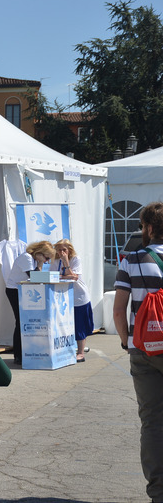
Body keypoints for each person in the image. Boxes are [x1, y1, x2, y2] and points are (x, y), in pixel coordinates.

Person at [114, 202, 163, 503]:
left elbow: (119, 310)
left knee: (153, 421)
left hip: (144, 349)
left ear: (147, 228)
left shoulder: (132, 259)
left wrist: (125, 341)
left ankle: (159, 493)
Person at [4, 240, 55, 366]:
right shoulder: (26, 257)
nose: (46, 261)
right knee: (20, 321)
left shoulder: (33, 259)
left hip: (23, 290)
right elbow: (35, 276)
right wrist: (41, 263)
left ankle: (25, 352)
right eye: (46, 257)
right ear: (39, 253)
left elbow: (36, 277)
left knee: (24, 321)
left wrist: (40, 263)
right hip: (14, 290)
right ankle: (18, 355)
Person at [52, 239, 95, 363]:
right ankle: (70, 348)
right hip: (63, 298)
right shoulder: (55, 261)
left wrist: (66, 263)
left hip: (78, 296)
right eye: (59, 250)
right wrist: (66, 275)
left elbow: (74, 277)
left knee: (80, 326)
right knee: (65, 325)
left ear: (69, 249)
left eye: (64, 250)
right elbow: (54, 275)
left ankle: (80, 353)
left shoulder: (76, 259)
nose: (61, 252)